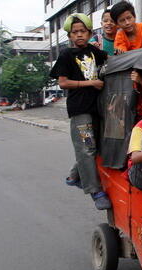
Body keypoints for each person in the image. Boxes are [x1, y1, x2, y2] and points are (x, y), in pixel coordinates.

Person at [49, 13, 111, 210]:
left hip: (97, 108)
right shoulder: (66, 55)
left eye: (82, 31)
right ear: (69, 36)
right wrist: (91, 83)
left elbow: (110, 58)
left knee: (96, 146)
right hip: (79, 109)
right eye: (74, 32)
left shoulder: (93, 51)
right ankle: (95, 191)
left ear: (90, 33)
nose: (79, 35)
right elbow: (63, 82)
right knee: (87, 148)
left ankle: (74, 176)